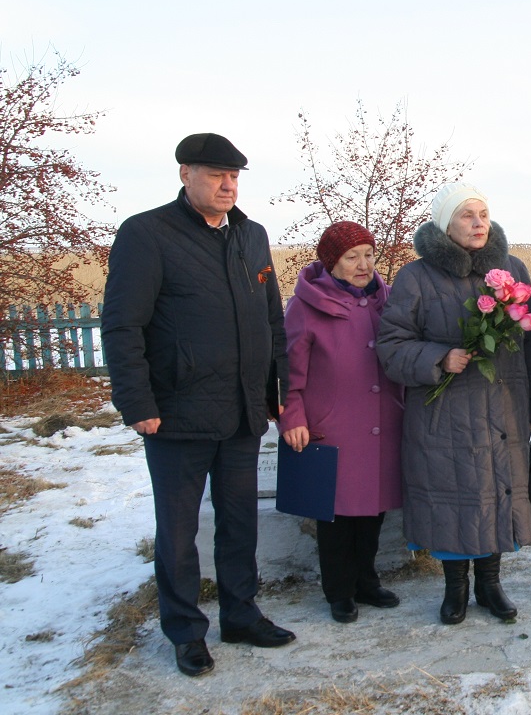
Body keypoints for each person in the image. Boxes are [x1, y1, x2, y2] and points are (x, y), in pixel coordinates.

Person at [101, 134, 295, 678]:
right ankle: (185, 631)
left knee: (239, 524)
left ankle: (241, 614)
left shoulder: (251, 236)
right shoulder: (147, 234)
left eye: (234, 176)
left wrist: (275, 392)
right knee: (179, 531)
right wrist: (136, 400)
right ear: (185, 174)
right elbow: (122, 325)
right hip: (176, 413)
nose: (228, 185)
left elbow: (271, 320)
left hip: (241, 411)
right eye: (215, 175)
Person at [375, 182, 531, 625]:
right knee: (453, 498)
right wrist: (439, 357)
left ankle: (490, 584)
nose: (478, 223)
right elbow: (391, 345)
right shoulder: (416, 277)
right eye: (466, 215)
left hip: (504, 410)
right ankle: (455, 589)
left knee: (497, 493)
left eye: (483, 214)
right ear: (445, 225)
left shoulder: (512, 269)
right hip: (445, 415)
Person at [279, 221, 405, 625]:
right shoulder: (306, 307)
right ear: (332, 261)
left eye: (369, 254)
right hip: (332, 426)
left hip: (383, 423)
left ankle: (367, 581)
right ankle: (339, 591)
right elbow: (288, 373)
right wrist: (292, 417)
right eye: (352, 257)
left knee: (372, 511)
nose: (364, 264)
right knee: (335, 515)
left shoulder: (388, 299)